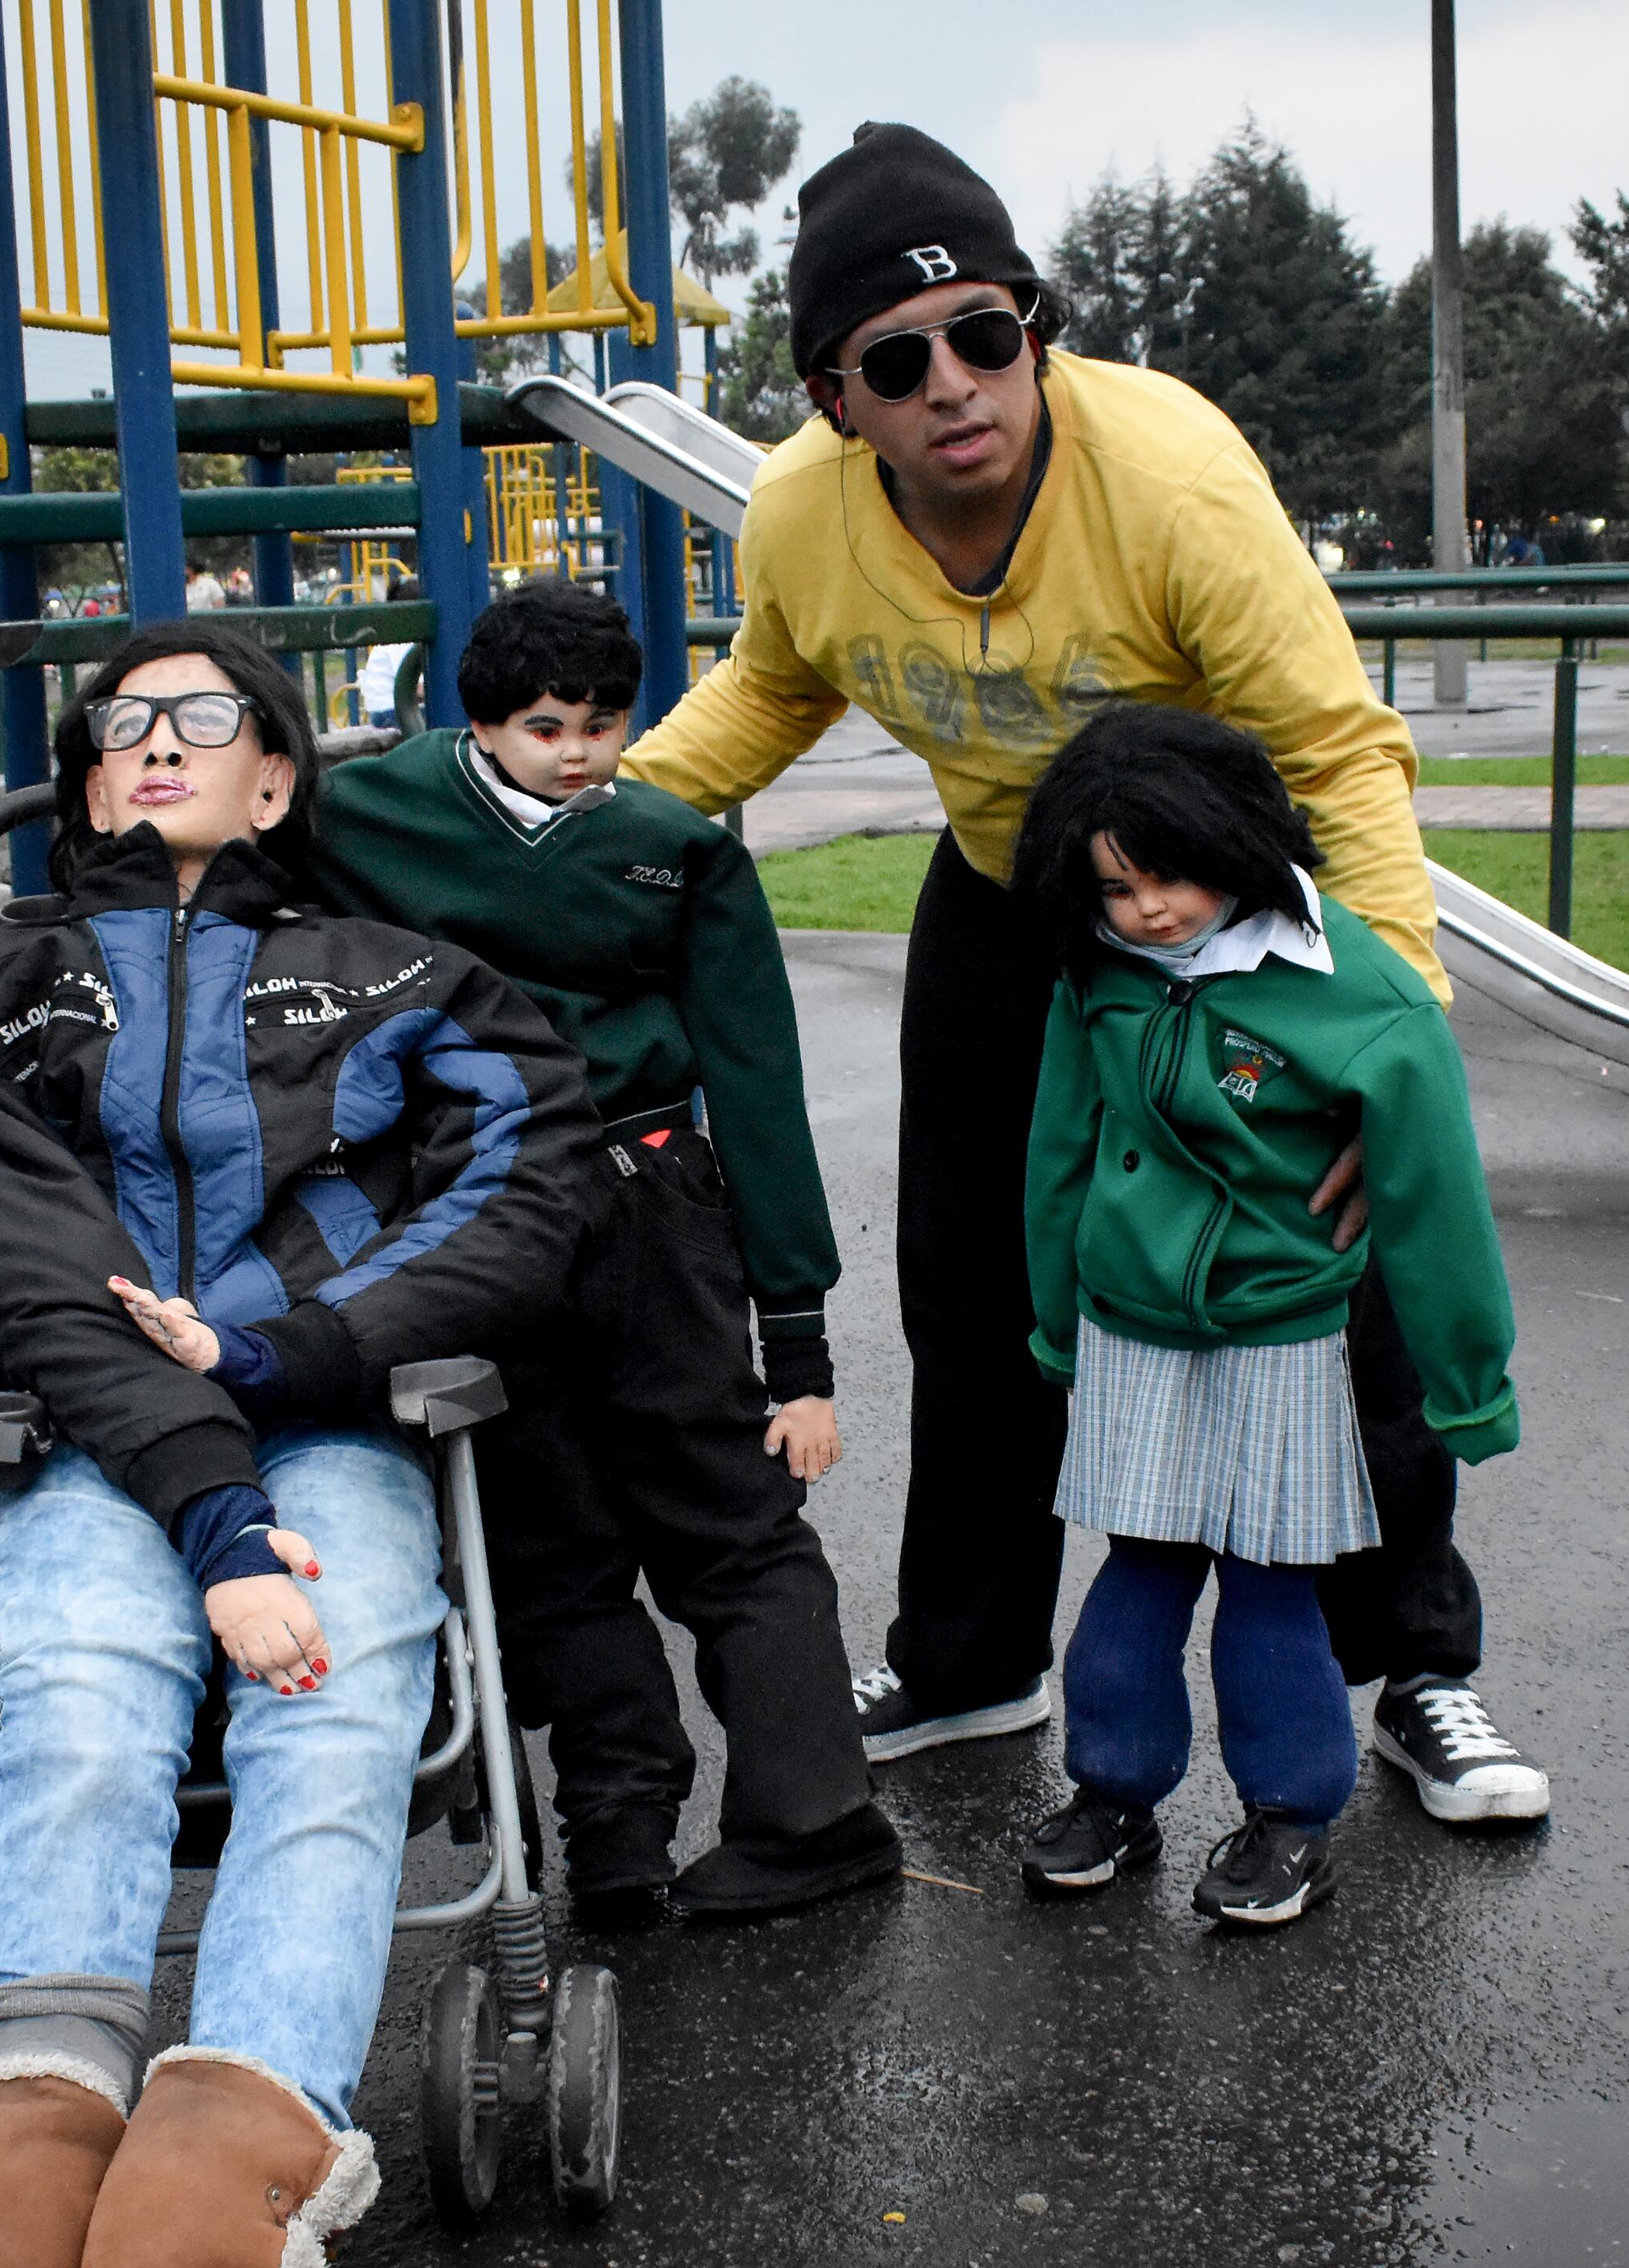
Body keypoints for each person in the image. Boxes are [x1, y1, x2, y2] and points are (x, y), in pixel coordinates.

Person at [621, 121, 1550, 1825]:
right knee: (975, 1289)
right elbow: (769, 691)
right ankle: (974, 1658)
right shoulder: (801, 518)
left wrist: (1382, 1023)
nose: (957, 383)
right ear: (836, 395)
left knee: (1334, 1270)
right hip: (1006, 904)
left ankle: (1417, 1663)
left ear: (1035, 330)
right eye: (898, 361)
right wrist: (577, 828)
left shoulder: (1170, 475)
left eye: (991, 330)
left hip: (1235, 915)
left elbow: (1337, 757)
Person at [0, 621, 590, 2268]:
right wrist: (220, 1514)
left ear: (276, 775)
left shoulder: (412, 982)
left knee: (333, 1736)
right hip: (111, 1451)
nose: (152, 742)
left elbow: (523, 1192)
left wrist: (283, 1356)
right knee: (87, 1722)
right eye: (118, 725)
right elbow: (26, 1272)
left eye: (203, 717)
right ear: (88, 782)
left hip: (331, 1410)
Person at [313, 579, 900, 1925]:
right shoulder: (365, 814)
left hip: (646, 1186)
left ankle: (818, 1816)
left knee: (724, 1507)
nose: (577, 752)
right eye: (543, 726)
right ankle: (618, 1825)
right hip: (474, 1199)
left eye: (604, 724)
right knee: (542, 1526)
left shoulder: (674, 848)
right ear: (475, 718)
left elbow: (756, 1081)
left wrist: (796, 1341)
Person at [1008, 705, 1517, 1925]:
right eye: (1118, 886)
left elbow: (1436, 1196)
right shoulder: (1102, 971)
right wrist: (1057, 1317)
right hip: (1135, 1320)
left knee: (1269, 1576)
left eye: (1174, 877)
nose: (1153, 912)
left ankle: (1289, 1816)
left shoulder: (1359, 994)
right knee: (1137, 1566)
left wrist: (1469, 1380)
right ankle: (1114, 1789)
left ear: (1239, 841)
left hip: (1282, 1325)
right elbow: (1060, 1146)